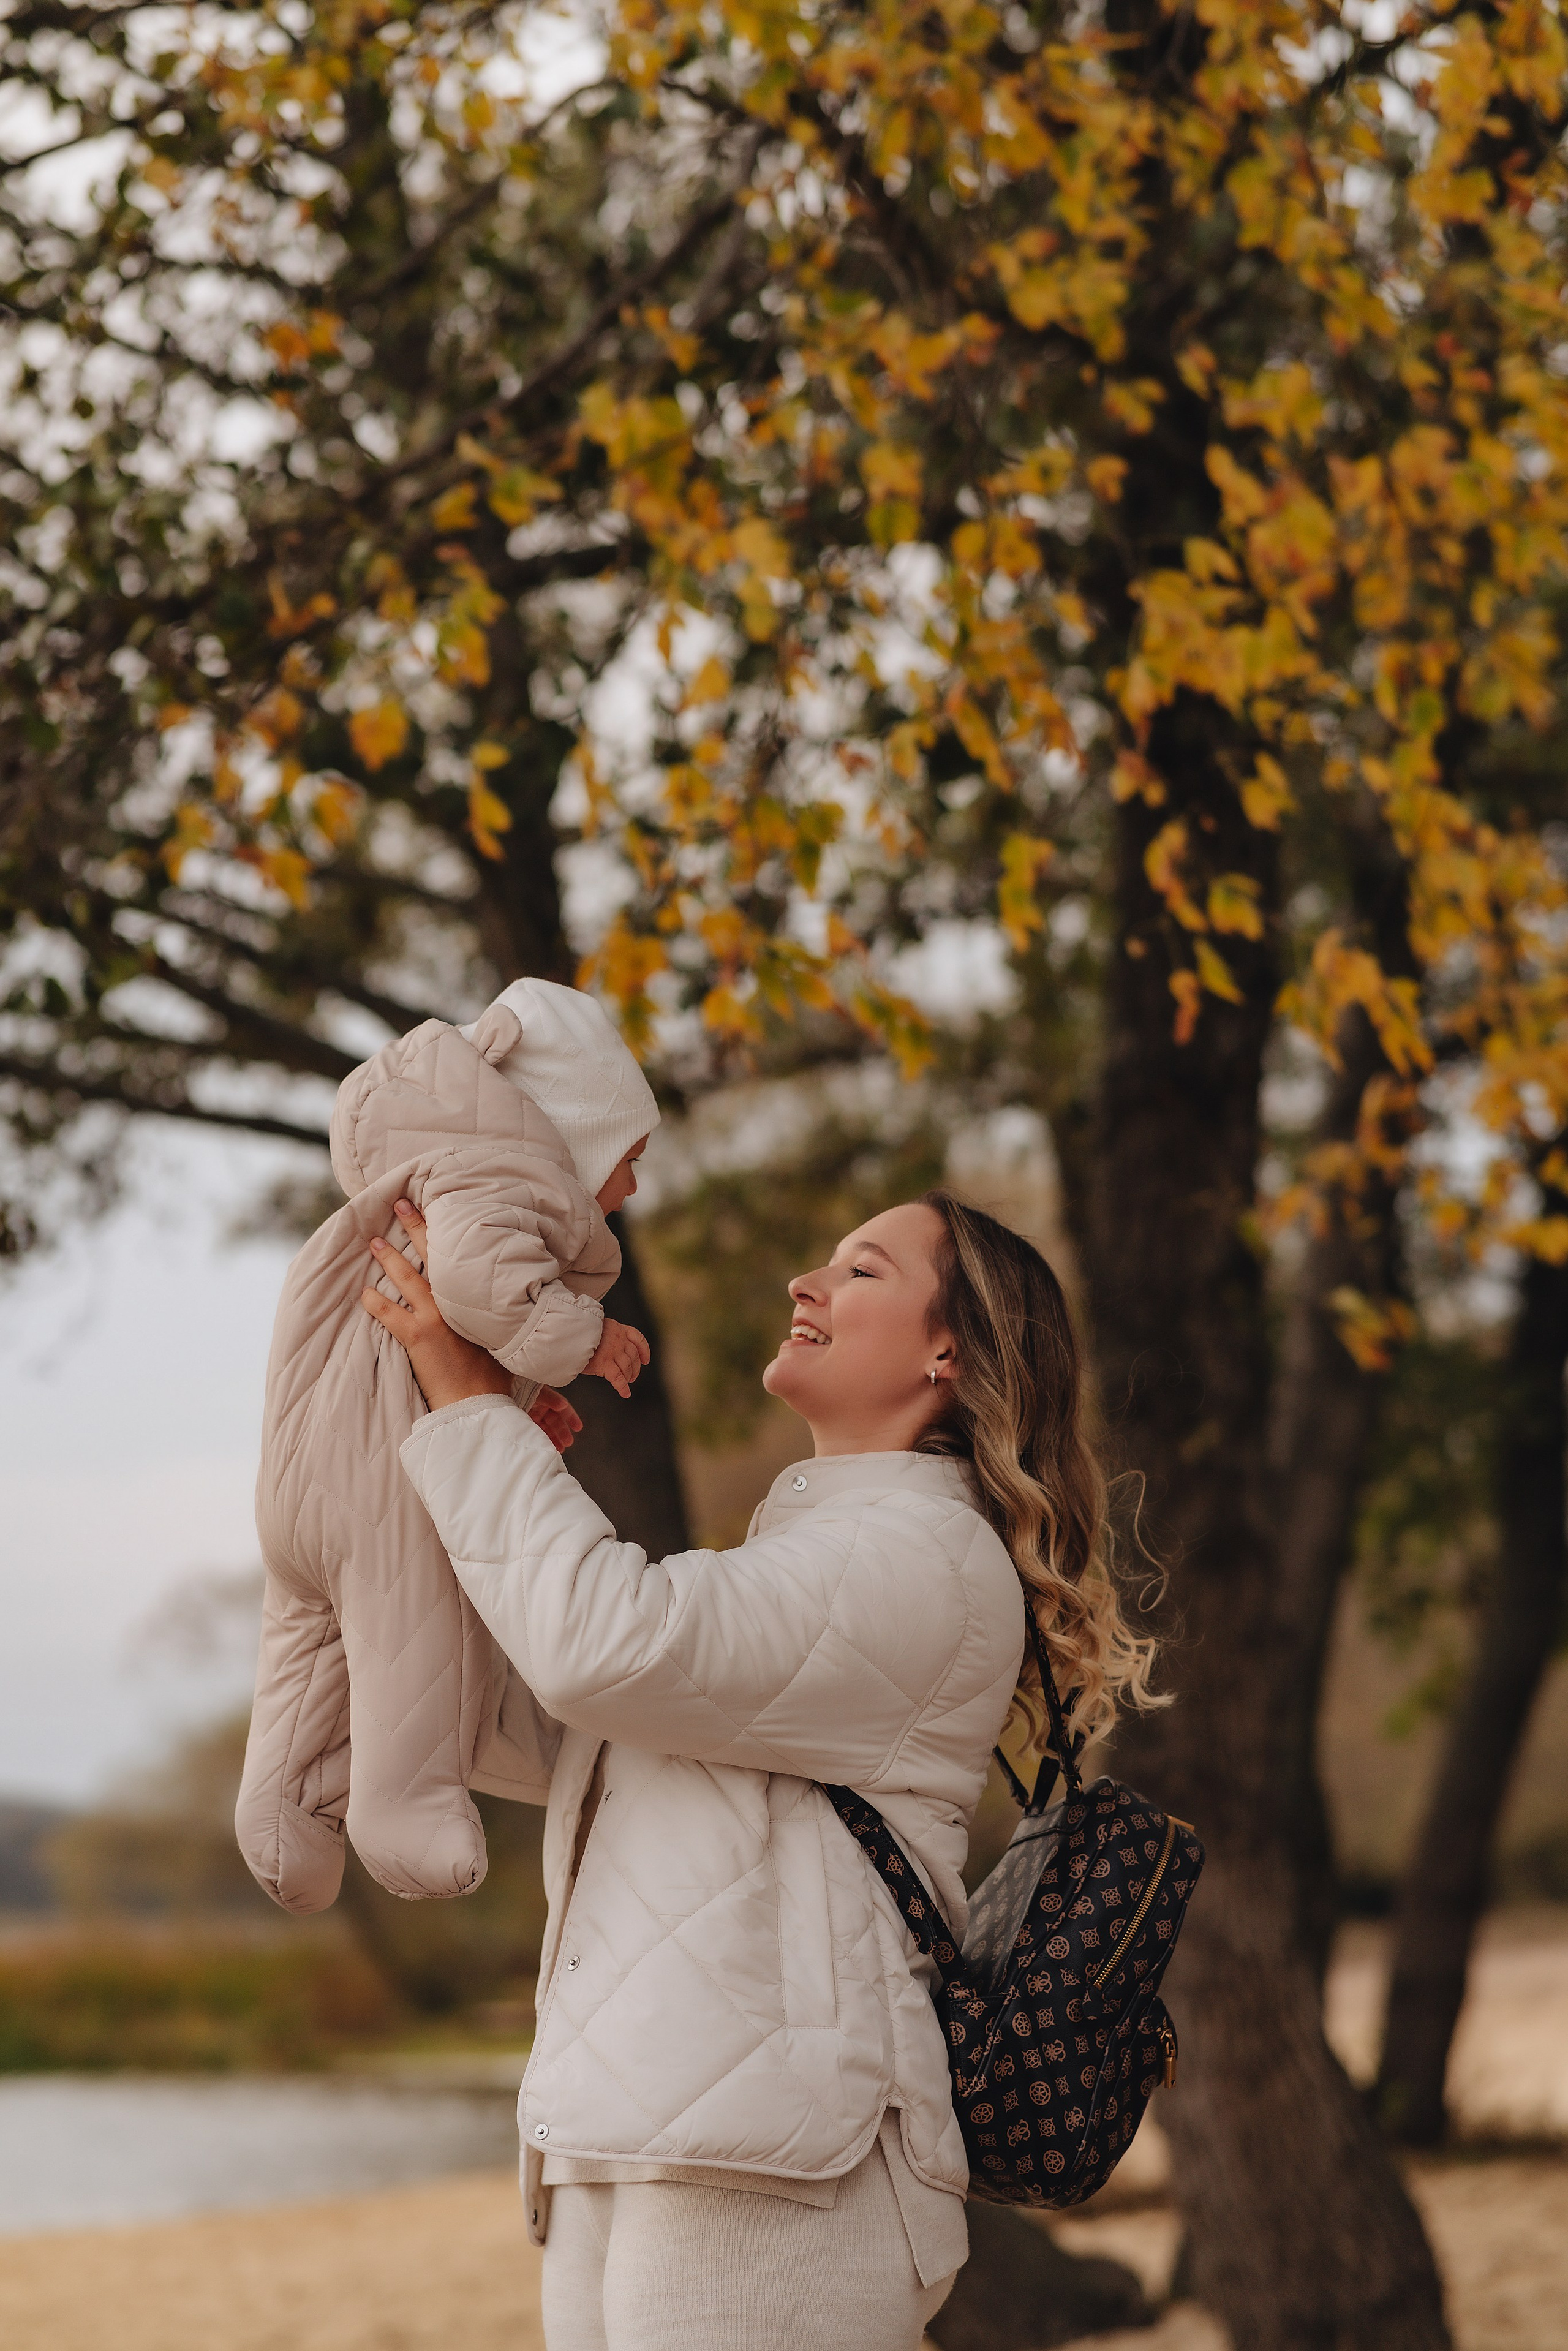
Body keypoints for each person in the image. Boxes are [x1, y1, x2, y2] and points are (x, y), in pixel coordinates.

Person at [361, 1187, 1159, 2351]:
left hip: (776, 2163)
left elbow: (600, 1647)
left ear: (948, 1353)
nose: (807, 1283)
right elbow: (557, 1724)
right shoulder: (818, 1550)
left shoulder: (923, 1555)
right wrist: (469, 1450)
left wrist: (479, 1420)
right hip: (652, 2130)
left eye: (863, 1269)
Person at [237, 978, 657, 1917]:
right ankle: (408, 1809)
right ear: (572, 1132)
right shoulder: (511, 1177)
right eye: (628, 1157)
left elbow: (434, 1329)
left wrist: (520, 1401)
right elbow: (480, 1288)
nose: (632, 1188)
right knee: (419, 1635)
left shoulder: (416, 1185)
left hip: (301, 1482)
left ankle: (282, 1817)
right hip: (386, 1489)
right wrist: (588, 1337)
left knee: (310, 1657)